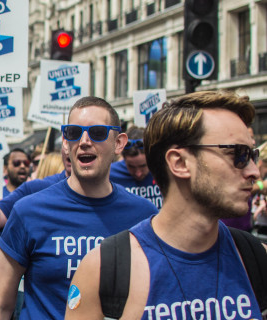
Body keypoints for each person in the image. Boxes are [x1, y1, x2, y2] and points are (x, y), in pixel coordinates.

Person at [66, 91, 267, 319]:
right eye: (239, 155)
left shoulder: (257, 259)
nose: (252, 172)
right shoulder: (103, 270)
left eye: (253, 155)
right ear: (179, 162)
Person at [0, 96, 158, 319]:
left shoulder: (144, 216)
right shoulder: (29, 211)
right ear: (66, 142)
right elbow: (0, 305)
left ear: (119, 143)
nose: (84, 141)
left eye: (97, 132)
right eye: (74, 132)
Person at [109, 126, 162, 209]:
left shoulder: (164, 171)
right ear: (124, 158)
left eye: (143, 166)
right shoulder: (110, 174)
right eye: (131, 166)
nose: (138, 173)